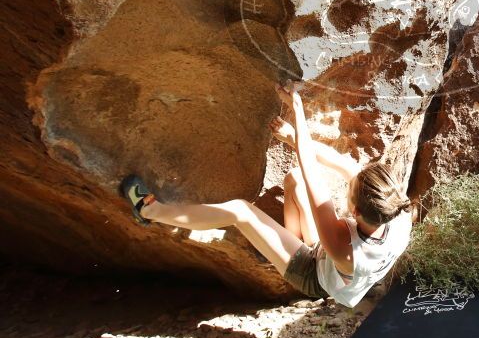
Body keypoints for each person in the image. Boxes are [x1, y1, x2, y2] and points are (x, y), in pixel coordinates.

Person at [119, 82, 414, 307]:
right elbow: (343, 166)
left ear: (357, 213)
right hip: (330, 258)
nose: (350, 182)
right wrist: (290, 137)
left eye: (350, 195)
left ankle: (148, 211)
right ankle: (285, 243)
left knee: (241, 211)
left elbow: (314, 177)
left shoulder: (344, 248)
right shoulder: (394, 208)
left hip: (315, 274)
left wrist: (299, 116)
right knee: (294, 180)